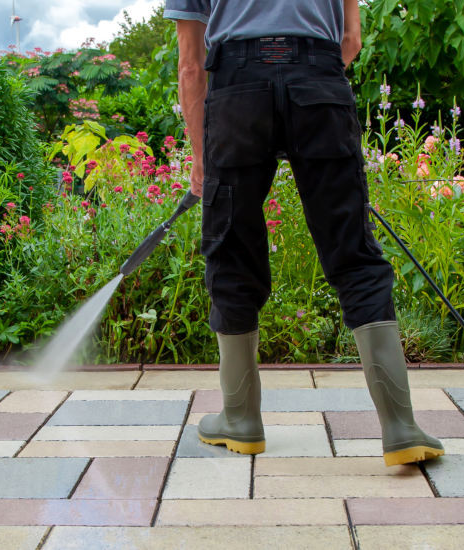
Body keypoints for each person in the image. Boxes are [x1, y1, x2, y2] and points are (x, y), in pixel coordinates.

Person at [165, 0, 444, 466]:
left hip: (237, 88)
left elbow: (191, 65)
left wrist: (200, 157)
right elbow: (350, 41)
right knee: (352, 251)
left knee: (231, 250)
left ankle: (240, 418)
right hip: (318, 77)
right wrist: (301, 68)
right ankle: (400, 428)